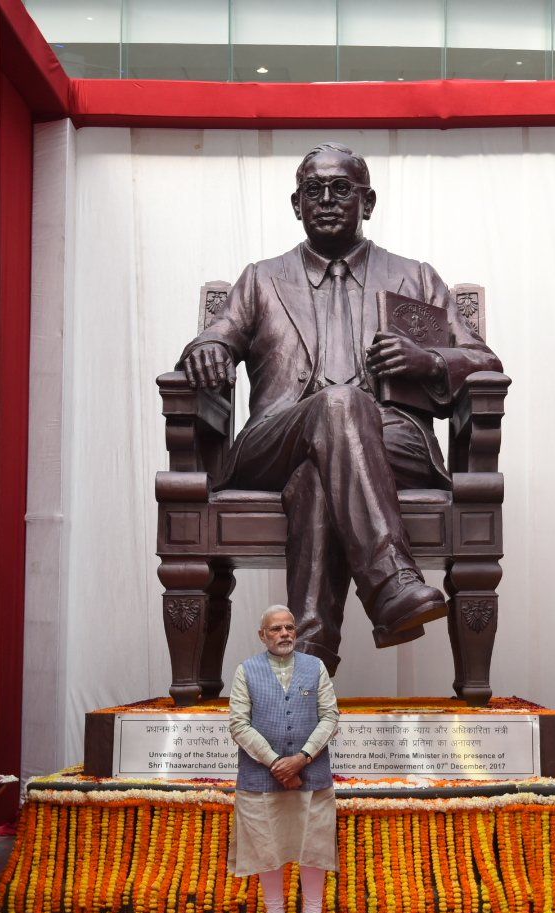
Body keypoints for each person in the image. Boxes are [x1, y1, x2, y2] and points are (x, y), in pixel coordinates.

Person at [180, 143, 502, 675]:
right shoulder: (261, 278)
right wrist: (209, 347)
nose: (326, 200)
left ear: (367, 202)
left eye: (341, 189)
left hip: (392, 443)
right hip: (276, 441)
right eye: (314, 190)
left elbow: (483, 361)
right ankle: (390, 583)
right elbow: (216, 337)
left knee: (316, 475)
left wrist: (427, 360)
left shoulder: (415, 276)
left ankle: (307, 665)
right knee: (339, 404)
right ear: (296, 204)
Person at [228, 604, 340, 913]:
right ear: (263, 635)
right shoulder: (246, 670)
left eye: (289, 627)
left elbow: (331, 717)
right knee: (268, 851)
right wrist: (278, 763)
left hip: (312, 776)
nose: (284, 634)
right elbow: (238, 725)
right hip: (261, 779)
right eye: (276, 629)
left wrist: (302, 759)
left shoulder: (315, 667)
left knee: (314, 849)